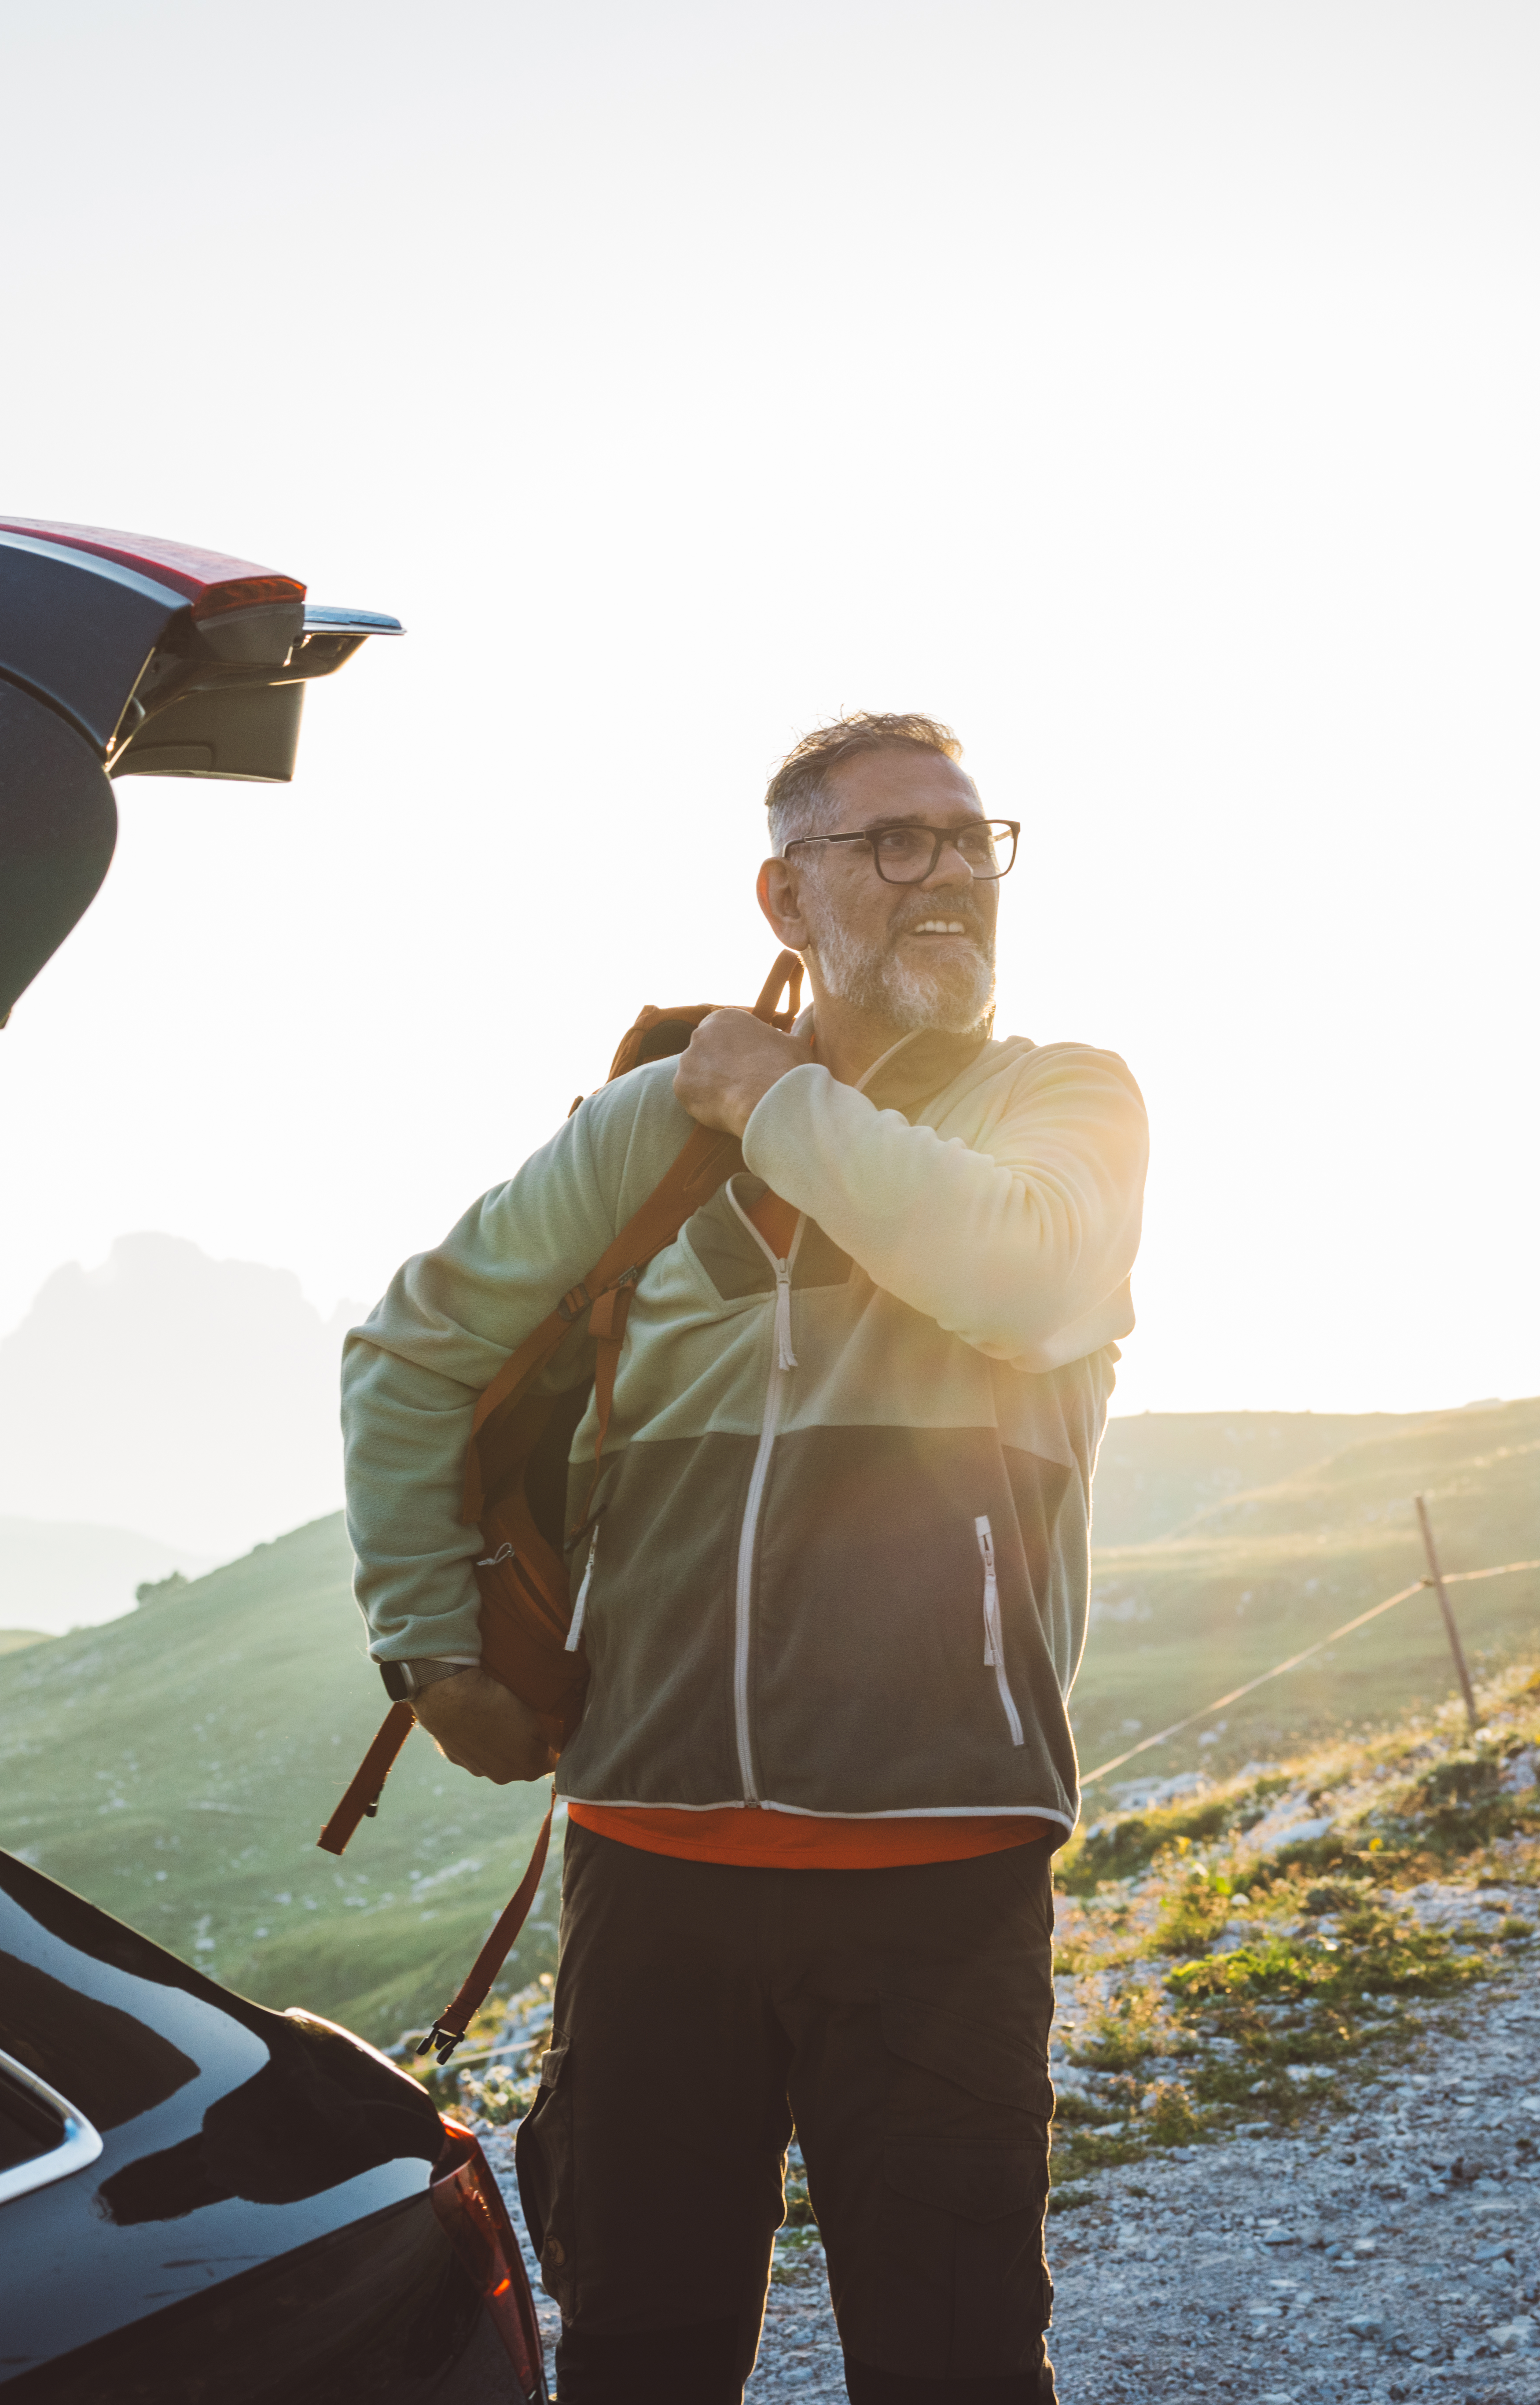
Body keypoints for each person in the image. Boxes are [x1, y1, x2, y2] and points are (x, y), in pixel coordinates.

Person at [342, 712, 1146, 2405]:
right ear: (787, 897)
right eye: (894, 846)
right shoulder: (654, 1124)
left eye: (972, 840)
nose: (949, 880)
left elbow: (1015, 1276)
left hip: (938, 1856)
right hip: (650, 1860)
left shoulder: (1060, 1102)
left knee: (956, 2366)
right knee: (638, 2358)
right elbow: (413, 1348)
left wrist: (776, 1101)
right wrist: (430, 1649)